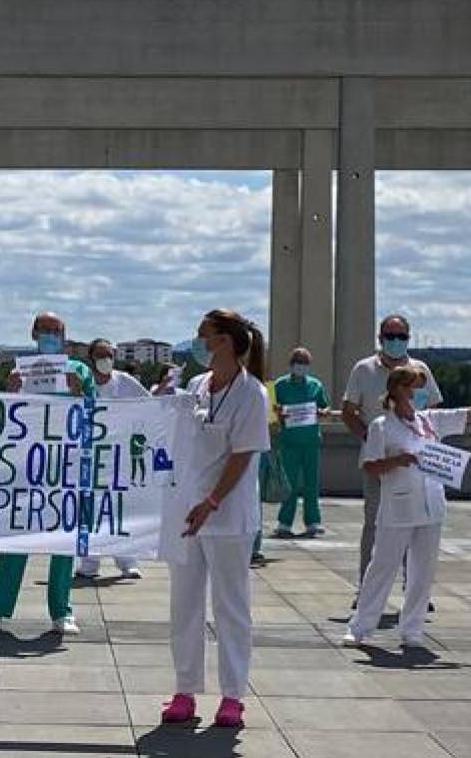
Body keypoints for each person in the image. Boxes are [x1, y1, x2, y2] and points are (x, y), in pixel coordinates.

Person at [345, 366, 471, 647]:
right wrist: (397, 461)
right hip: (398, 507)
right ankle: (361, 626)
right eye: (416, 387)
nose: (420, 394)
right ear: (399, 390)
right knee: (382, 566)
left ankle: (412, 628)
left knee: (422, 571)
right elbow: (369, 466)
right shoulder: (382, 425)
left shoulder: (430, 421)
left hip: (431, 505)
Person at [159, 309, 270, 729]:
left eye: (204, 336)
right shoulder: (196, 386)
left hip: (227, 515)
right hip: (188, 513)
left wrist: (212, 501)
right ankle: (185, 690)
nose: (198, 343)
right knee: (184, 604)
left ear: (224, 341)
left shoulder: (251, 393)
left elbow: (242, 455)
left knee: (230, 606)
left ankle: (232, 695)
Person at [0, 312, 94, 636]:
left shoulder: (79, 371)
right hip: (26, 467)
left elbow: (96, 415)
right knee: (16, 539)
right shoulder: (20, 372)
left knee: (63, 542)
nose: (51, 336)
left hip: (64, 467)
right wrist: (9, 393)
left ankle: (61, 611)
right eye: (45, 330)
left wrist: (80, 393)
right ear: (33, 333)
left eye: (57, 331)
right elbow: (4, 417)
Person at [341, 314, 443, 592]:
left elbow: (433, 411)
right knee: (374, 523)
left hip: (415, 462)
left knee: (419, 524)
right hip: (378, 462)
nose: (395, 342)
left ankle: (415, 587)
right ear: (380, 338)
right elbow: (348, 412)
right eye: (390, 336)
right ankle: (367, 587)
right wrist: (370, 438)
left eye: (401, 337)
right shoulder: (364, 369)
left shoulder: (419, 368)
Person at [75, 338, 148, 580]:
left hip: (119, 457)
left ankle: (127, 562)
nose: (105, 360)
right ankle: (89, 564)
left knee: (119, 509)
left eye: (109, 355)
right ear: (91, 358)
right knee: (89, 510)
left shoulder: (124, 382)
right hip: (89, 456)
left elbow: (150, 403)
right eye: (100, 355)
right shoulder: (82, 382)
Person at [271, 348, 330, 538]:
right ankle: (284, 522)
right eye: (298, 362)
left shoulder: (316, 385)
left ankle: (313, 521)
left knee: (311, 482)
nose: (301, 366)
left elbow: (324, 407)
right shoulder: (280, 385)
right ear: (291, 364)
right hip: (289, 441)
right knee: (289, 483)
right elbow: (271, 412)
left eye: (305, 363)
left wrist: (323, 412)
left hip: (311, 440)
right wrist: (277, 411)